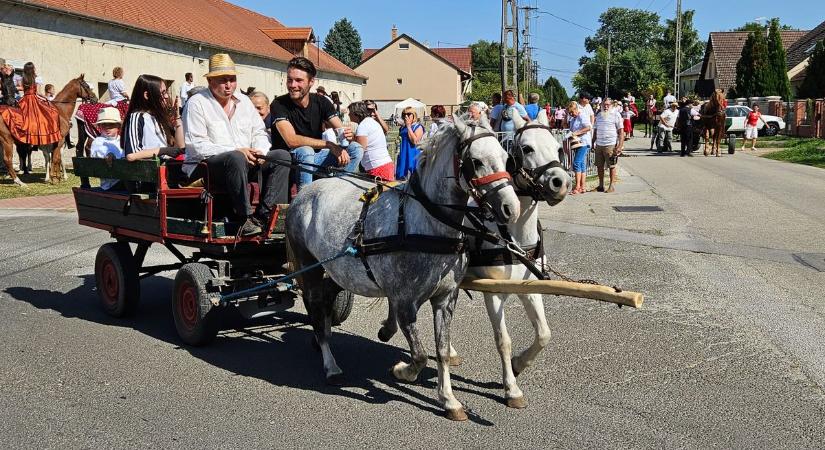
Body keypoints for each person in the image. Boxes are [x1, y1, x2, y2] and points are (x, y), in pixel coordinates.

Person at [184, 53, 291, 236]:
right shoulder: (197, 103)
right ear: (210, 81)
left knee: (281, 156)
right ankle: (244, 218)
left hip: (244, 161)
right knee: (235, 157)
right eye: (223, 80)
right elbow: (197, 145)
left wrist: (260, 151)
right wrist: (237, 151)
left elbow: (259, 132)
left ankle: (267, 216)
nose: (228, 85)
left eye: (232, 80)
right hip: (207, 167)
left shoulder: (245, 103)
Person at [269, 56, 362, 191]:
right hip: (290, 163)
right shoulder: (279, 104)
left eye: (299, 80)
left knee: (356, 149)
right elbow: (291, 141)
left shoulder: (322, 102)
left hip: (316, 159)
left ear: (311, 81)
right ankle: (304, 198)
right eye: (290, 80)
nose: (293, 85)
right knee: (306, 151)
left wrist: (347, 135)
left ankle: (338, 190)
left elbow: (339, 128)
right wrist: (329, 145)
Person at [120, 74, 185, 163]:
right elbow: (132, 154)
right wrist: (163, 151)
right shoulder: (136, 117)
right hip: (145, 173)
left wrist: (177, 116)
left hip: (165, 169)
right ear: (147, 95)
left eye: (166, 92)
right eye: (163, 93)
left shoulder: (159, 118)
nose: (166, 96)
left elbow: (180, 146)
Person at [349, 101, 394, 180]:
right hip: (383, 165)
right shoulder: (371, 122)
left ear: (356, 113)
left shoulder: (363, 126)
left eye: (350, 112)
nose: (349, 114)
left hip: (377, 167)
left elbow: (359, 150)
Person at [88, 107, 126, 190]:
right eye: (104, 125)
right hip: (111, 185)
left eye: (111, 125)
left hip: (124, 180)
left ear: (118, 126)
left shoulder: (123, 140)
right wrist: (108, 155)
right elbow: (98, 153)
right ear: (99, 127)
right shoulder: (98, 141)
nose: (107, 128)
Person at [592, 99, 624, 193]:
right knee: (599, 166)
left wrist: (619, 146)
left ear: (611, 105)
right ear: (601, 105)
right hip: (599, 144)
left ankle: (611, 186)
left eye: (607, 105)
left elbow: (621, 132)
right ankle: (601, 185)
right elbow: (595, 130)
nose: (605, 106)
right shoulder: (599, 115)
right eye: (604, 105)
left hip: (610, 144)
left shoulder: (616, 114)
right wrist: (592, 142)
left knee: (611, 166)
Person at [566, 101, 591, 195]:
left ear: (576, 109)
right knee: (581, 164)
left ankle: (577, 187)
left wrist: (576, 133)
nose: (571, 114)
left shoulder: (582, 116)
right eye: (570, 113)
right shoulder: (573, 119)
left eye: (572, 112)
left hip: (583, 142)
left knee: (576, 163)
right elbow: (571, 129)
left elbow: (588, 127)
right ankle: (583, 186)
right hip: (577, 143)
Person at [395, 106, 425, 180]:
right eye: (404, 114)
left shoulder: (418, 127)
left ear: (414, 115)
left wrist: (409, 126)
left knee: (412, 179)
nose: (406, 116)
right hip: (402, 156)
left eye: (408, 114)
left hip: (412, 156)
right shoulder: (402, 128)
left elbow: (415, 141)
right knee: (400, 180)